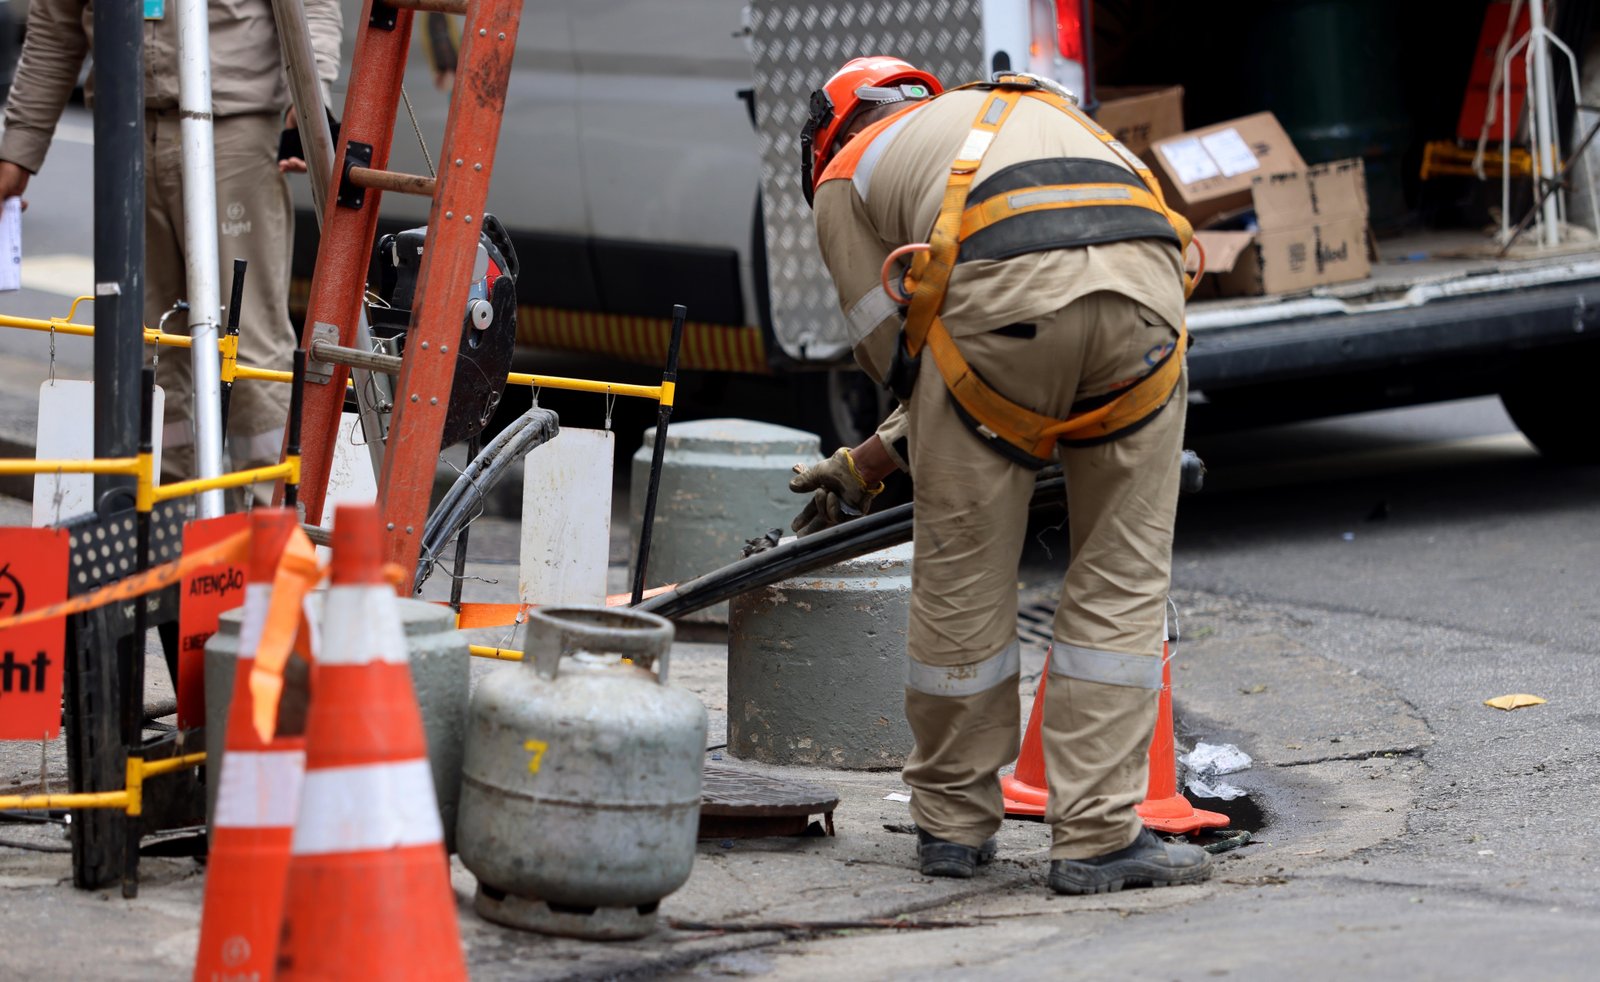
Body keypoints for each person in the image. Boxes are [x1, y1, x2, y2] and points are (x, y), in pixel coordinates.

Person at [789, 56, 1213, 895]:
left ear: (827, 138)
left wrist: (885, 456)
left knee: (964, 570)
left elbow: (899, 354)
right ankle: (1099, 839)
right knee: (1123, 575)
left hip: (1002, 305)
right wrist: (872, 458)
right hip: (1150, 297)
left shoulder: (847, 170)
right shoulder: (1025, 114)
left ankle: (953, 825)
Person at [0, 0, 342, 496]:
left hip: (234, 125)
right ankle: (160, 509)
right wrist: (18, 152)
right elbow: (55, 27)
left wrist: (309, 99)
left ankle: (270, 513)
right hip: (126, 128)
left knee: (246, 336)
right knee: (147, 341)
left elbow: (311, 7)